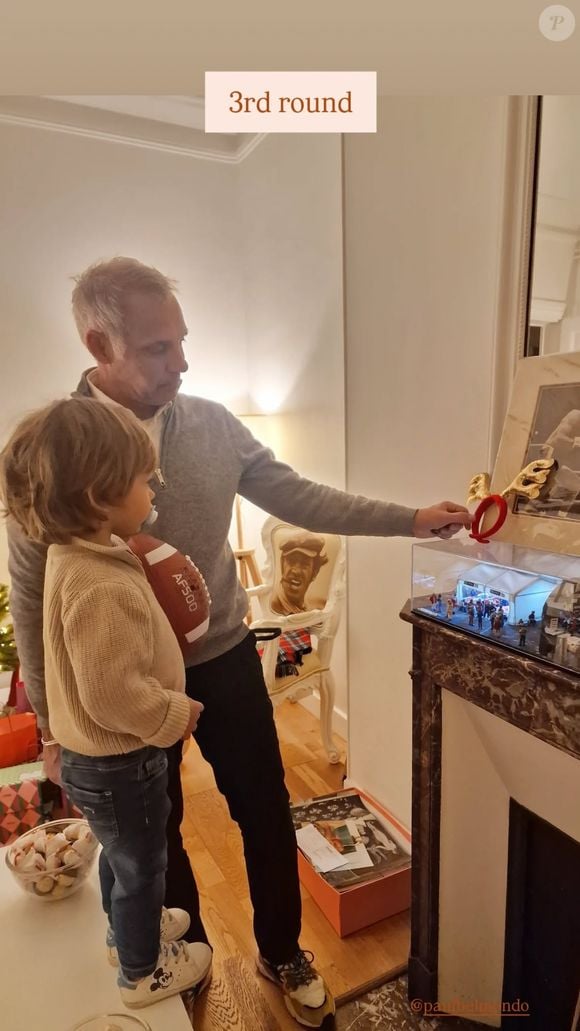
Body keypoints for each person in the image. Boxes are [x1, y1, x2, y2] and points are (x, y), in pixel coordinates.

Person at [6, 257, 472, 1028]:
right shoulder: (57, 446)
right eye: (158, 348)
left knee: (263, 805)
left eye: (182, 342)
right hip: (121, 692)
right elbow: (31, 599)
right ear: (99, 344)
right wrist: (55, 727)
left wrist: (412, 517)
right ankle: (178, 976)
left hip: (221, 658)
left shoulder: (212, 423)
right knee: (157, 836)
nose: (181, 362)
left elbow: (300, 493)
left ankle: (281, 950)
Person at [0, 398, 210, 1009]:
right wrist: (176, 715)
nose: (152, 490)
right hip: (122, 762)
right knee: (145, 864)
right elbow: (113, 694)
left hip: (98, 762)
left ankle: (125, 935)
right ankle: (144, 973)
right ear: (99, 498)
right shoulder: (99, 583)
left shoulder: (76, 558)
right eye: (144, 480)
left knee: (121, 855)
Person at [271, 535, 328, 615]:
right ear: (282, 565)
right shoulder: (274, 607)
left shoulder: (313, 609)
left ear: (314, 573)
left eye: (304, 564)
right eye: (291, 561)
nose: (296, 571)